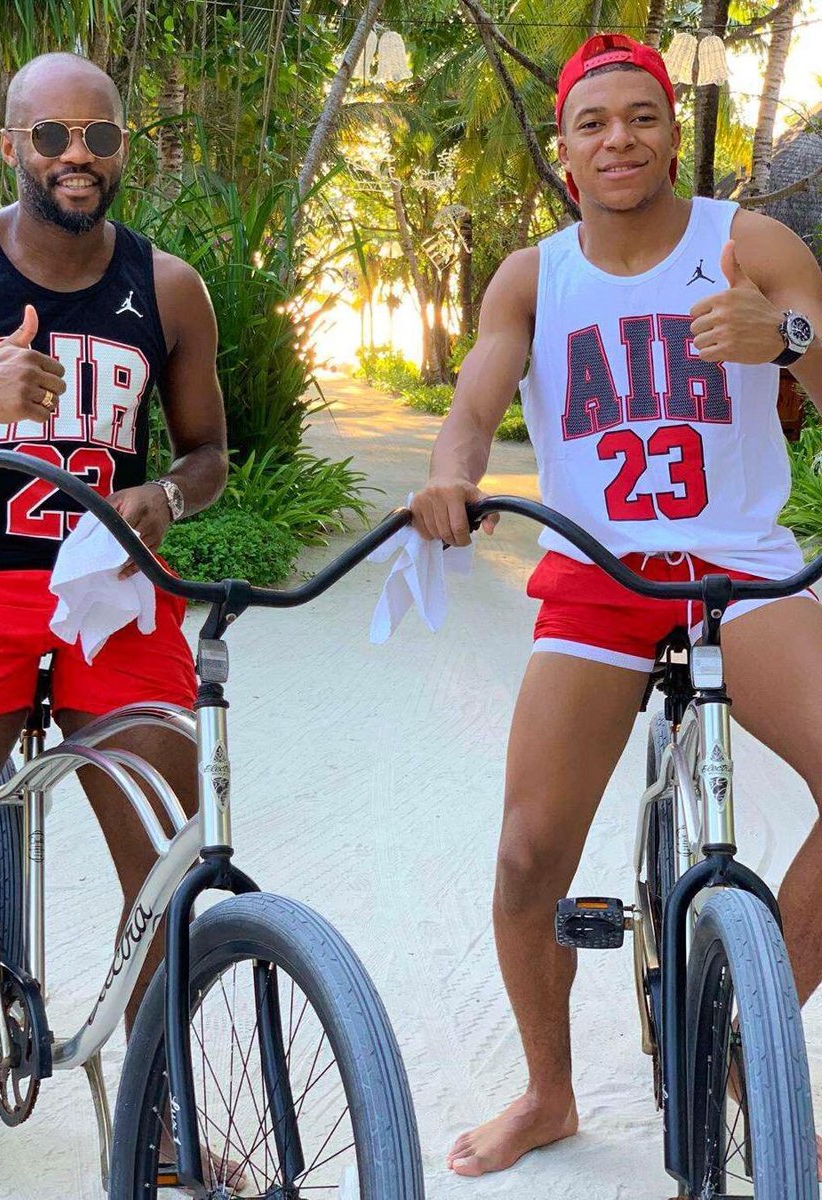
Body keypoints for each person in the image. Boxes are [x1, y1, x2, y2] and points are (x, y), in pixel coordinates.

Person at [409, 33, 822, 1179]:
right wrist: (449, 477)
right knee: (527, 855)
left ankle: (745, 1034)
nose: (619, 138)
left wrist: (786, 339)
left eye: (642, 116)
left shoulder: (745, 243)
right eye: (593, 123)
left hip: (738, 566)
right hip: (598, 571)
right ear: (565, 152)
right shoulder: (534, 276)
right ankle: (547, 1093)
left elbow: (819, 348)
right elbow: (474, 405)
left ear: (673, 134)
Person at [0, 53, 227, 1162]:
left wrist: (167, 496)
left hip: (110, 589)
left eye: (99, 136)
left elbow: (208, 452)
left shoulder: (169, 287)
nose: (78, 155)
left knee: (169, 869)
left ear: (123, 149)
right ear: (11, 145)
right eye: (54, 135)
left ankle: (162, 1126)